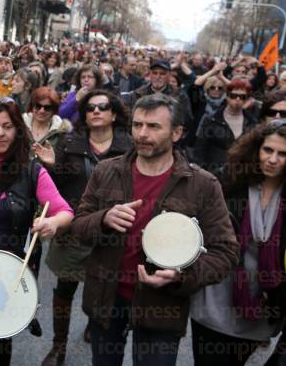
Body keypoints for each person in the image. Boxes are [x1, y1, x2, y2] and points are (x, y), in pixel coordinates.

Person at [72, 93, 240, 366]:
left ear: (177, 133)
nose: (142, 133)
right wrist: (103, 219)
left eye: (153, 127)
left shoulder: (204, 184)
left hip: (163, 306)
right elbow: (79, 226)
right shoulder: (106, 171)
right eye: (137, 125)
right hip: (106, 300)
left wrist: (180, 275)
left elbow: (226, 252)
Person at [0, 97, 74, 366]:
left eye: (7, 126)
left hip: (11, 273)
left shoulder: (32, 171)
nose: (0, 133)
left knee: (1, 343)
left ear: (18, 129)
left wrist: (51, 223)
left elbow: (65, 211)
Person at [40, 90, 132, 366]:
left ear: (114, 113)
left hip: (111, 232)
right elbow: (55, 187)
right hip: (74, 229)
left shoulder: (129, 147)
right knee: (64, 289)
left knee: (103, 288)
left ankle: (95, 324)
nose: (96, 111)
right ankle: (59, 346)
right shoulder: (70, 143)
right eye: (90, 107)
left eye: (103, 107)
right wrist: (52, 166)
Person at [191, 120, 286, 365]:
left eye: (282, 153)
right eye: (268, 150)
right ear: (256, 149)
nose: (273, 159)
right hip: (215, 298)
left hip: (261, 305)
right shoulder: (231, 183)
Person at [192, 78, 258, 178]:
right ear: (227, 96)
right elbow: (199, 151)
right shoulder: (211, 119)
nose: (238, 100)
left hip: (241, 177)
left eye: (242, 97)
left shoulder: (252, 122)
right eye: (234, 96)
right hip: (213, 176)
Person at [24, 86, 72, 160]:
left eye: (47, 108)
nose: (41, 111)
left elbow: (62, 164)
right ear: (32, 106)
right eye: (38, 106)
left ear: (54, 110)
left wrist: (51, 164)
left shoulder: (61, 132)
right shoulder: (19, 126)